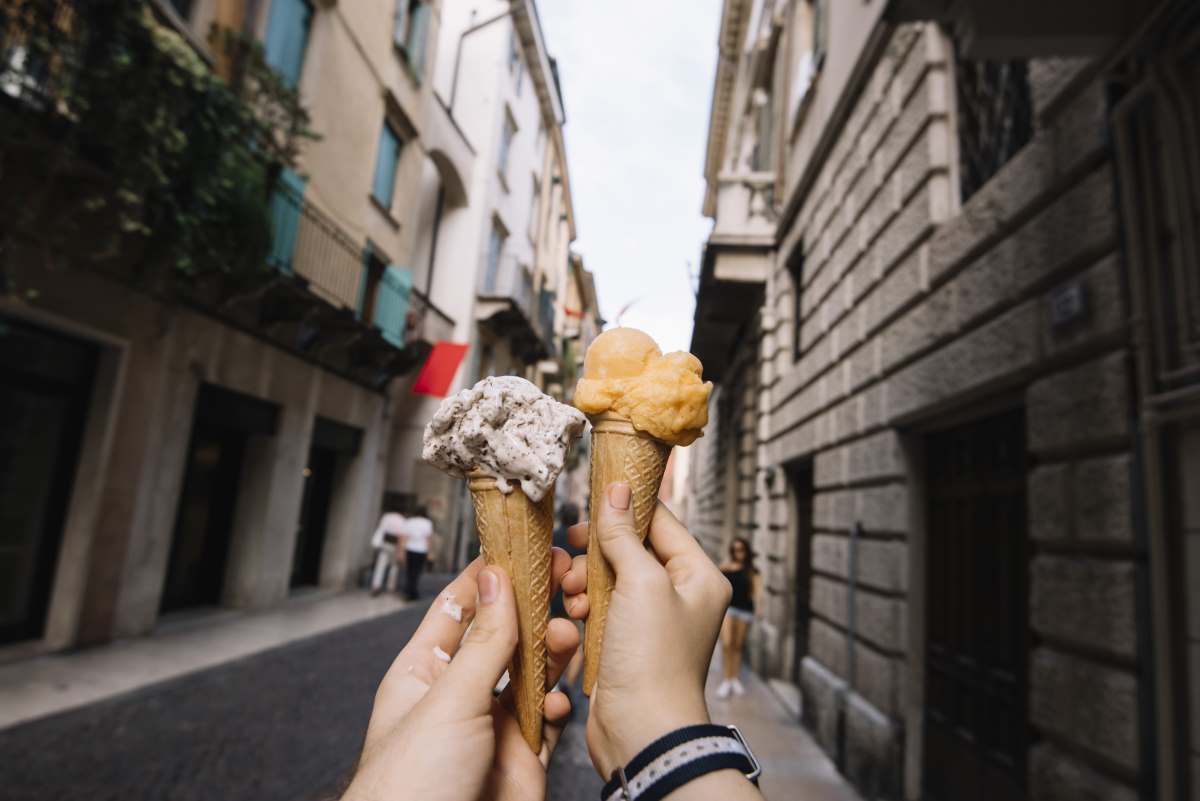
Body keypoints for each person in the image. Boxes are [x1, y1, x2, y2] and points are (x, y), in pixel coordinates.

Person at [339, 482, 765, 801]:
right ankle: (574, 682)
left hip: (557, 608)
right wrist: (663, 727)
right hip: (564, 612)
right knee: (563, 645)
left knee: (553, 645)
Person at [717, 536, 761, 698]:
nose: (738, 553)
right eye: (735, 550)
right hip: (729, 609)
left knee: (737, 645)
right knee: (727, 643)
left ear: (746, 551)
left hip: (745, 610)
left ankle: (734, 678)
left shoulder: (752, 571)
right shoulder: (727, 568)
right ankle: (726, 679)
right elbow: (715, 579)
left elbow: (757, 591)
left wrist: (759, 608)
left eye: (741, 549)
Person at [396, 505, 435, 601]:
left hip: (410, 549)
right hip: (421, 550)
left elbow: (403, 537)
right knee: (416, 572)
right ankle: (412, 591)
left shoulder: (409, 522)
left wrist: (400, 552)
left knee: (409, 571)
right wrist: (430, 552)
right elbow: (428, 539)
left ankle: (409, 591)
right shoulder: (427, 523)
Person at [369, 506, 406, 596]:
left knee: (380, 565)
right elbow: (402, 535)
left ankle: (376, 585)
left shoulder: (387, 516)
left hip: (385, 543)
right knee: (394, 566)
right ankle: (390, 587)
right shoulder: (402, 520)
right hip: (395, 545)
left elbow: (381, 528)